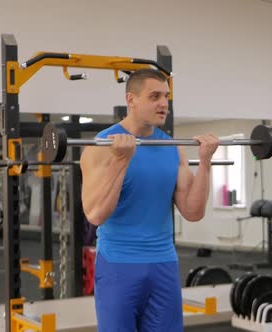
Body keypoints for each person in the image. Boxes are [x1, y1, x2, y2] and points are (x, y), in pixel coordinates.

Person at [80, 68, 220, 331]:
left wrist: (204, 163)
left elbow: (193, 211)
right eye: (154, 96)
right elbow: (96, 214)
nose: (163, 103)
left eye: (166, 96)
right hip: (119, 264)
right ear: (131, 100)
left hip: (164, 262)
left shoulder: (171, 146)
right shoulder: (100, 146)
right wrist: (121, 160)